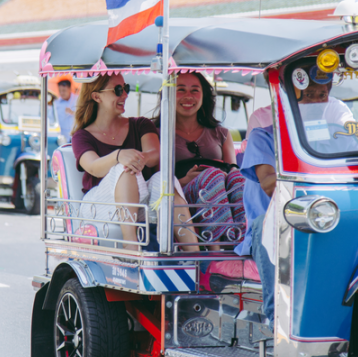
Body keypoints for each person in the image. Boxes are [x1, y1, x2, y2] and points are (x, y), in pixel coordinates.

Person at [237, 62, 358, 329]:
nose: (314, 101)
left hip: (322, 217)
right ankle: (275, 319)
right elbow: (270, 184)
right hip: (276, 223)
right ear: (291, 97)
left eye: (321, 95)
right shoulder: (264, 135)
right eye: (306, 95)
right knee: (266, 226)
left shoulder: (335, 132)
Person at [72, 73, 199, 252]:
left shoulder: (140, 124)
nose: (125, 94)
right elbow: (94, 167)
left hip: (139, 202)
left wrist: (139, 158)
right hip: (100, 207)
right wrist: (119, 155)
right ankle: (131, 246)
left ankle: (195, 254)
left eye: (126, 88)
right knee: (123, 169)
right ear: (96, 96)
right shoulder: (82, 136)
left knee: (163, 179)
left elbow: (154, 153)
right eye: (118, 90)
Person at [160, 72, 246, 246]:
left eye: (195, 90)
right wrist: (183, 180)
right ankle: (217, 247)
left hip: (220, 189)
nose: (188, 97)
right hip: (180, 196)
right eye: (181, 90)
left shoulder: (221, 133)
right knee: (213, 175)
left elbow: (233, 170)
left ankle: (243, 240)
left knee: (238, 177)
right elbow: (154, 179)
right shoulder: (157, 132)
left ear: (203, 95)